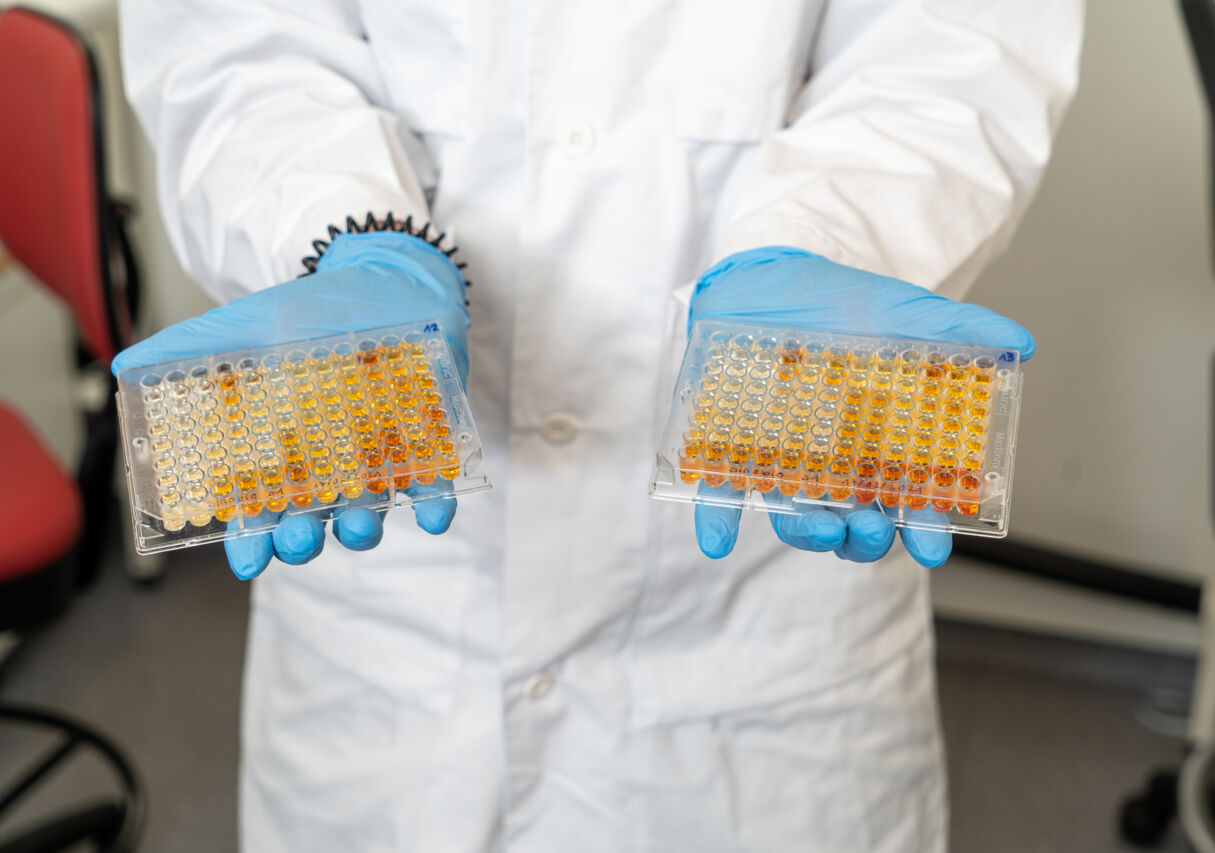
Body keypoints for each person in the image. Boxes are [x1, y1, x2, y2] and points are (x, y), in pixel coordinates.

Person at [116, 2, 1083, 849]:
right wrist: (345, 235)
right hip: (398, 595)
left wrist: (829, 239)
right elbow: (233, 46)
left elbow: (957, 52)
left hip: (756, 613)